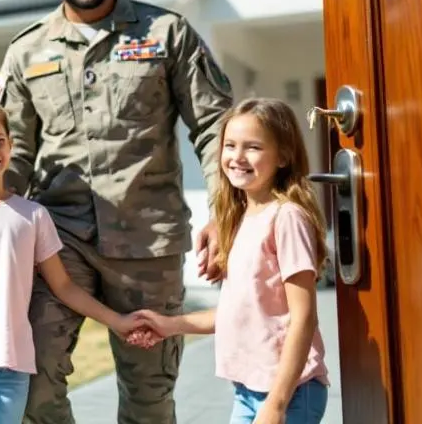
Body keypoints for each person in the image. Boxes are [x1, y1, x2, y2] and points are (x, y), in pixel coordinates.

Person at [0, 0, 234, 422]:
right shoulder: (26, 51)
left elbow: (216, 127)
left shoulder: (166, 33)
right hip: (59, 245)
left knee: (149, 399)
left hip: (149, 243)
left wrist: (227, 213)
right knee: (32, 381)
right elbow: (11, 155)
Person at [0, 98, 152, 424]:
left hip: (11, 367)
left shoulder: (33, 216)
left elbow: (65, 286)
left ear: (11, 146)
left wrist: (117, 321)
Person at [133, 98, 330, 424]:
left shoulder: (287, 218)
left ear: (283, 156)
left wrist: (277, 404)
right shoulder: (239, 220)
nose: (237, 157)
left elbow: (304, 317)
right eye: (230, 145)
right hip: (248, 391)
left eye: (253, 147)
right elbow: (240, 312)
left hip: (292, 393)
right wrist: (171, 325)